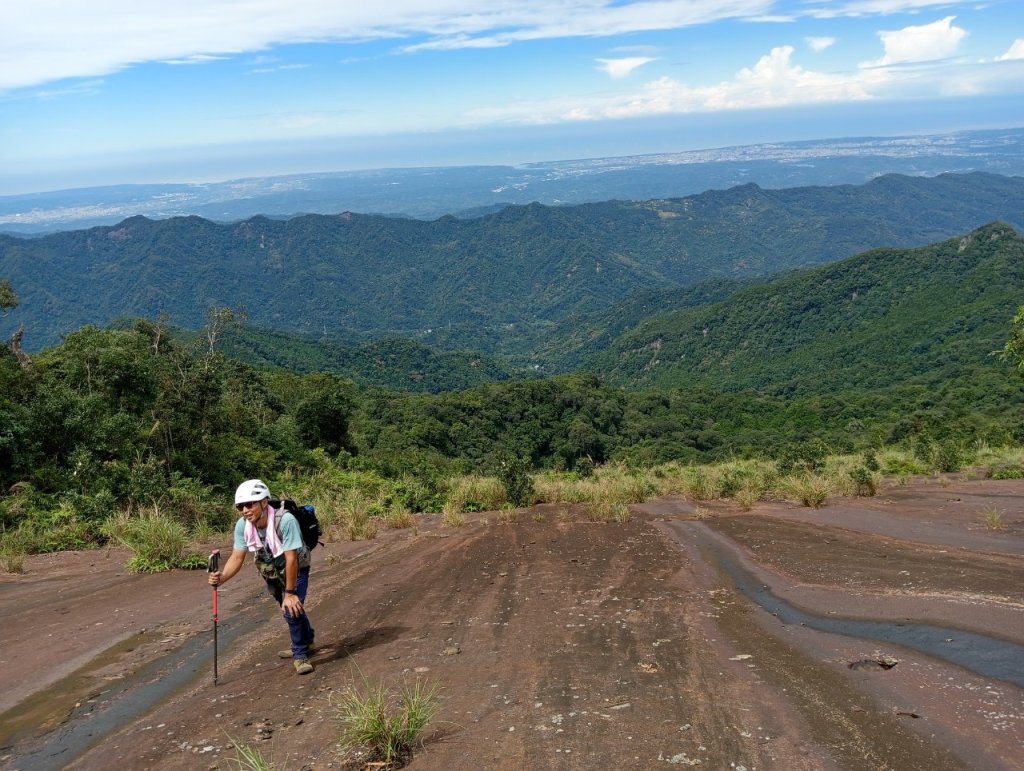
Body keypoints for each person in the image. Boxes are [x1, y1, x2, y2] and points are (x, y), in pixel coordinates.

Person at [208, 479, 316, 675]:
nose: (245, 510)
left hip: (297, 567)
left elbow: (292, 559)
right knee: (292, 608)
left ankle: (300, 654)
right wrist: (221, 578)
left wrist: (290, 592)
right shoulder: (243, 526)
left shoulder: (286, 520)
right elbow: (237, 556)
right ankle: (307, 637)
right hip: (271, 569)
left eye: (250, 504)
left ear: (264, 502)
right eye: (241, 506)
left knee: (290, 609)